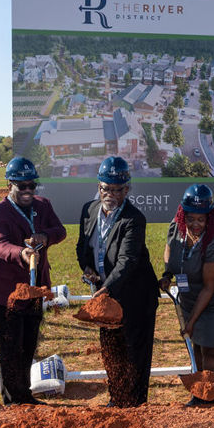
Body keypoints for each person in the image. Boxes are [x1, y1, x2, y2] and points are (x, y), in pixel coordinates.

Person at [0, 156, 66, 406]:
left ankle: (23, 396)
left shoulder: (43, 205)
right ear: (9, 184)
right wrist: (22, 252)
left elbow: (60, 231)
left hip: (35, 290)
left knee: (28, 345)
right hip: (6, 293)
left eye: (31, 185)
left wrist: (45, 237)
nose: (28, 191)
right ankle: (13, 401)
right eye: (21, 186)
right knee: (10, 349)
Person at [77, 156, 159, 408]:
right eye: (105, 188)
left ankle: (133, 406)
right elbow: (82, 247)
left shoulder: (134, 219)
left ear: (127, 189)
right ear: (99, 185)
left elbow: (127, 261)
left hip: (136, 297)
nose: (109, 194)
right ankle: (116, 400)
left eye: (116, 190)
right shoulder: (89, 210)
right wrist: (88, 268)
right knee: (111, 351)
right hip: (107, 296)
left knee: (134, 354)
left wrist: (105, 290)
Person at [158, 184, 214, 406]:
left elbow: (210, 288)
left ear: (210, 217)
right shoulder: (177, 228)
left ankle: (212, 396)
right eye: (191, 219)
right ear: (183, 214)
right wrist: (167, 273)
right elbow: (169, 249)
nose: (195, 224)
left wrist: (192, 321)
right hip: (192, 292)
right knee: (196, 343)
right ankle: (200, 391)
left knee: (210, 345)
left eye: (201, 219)